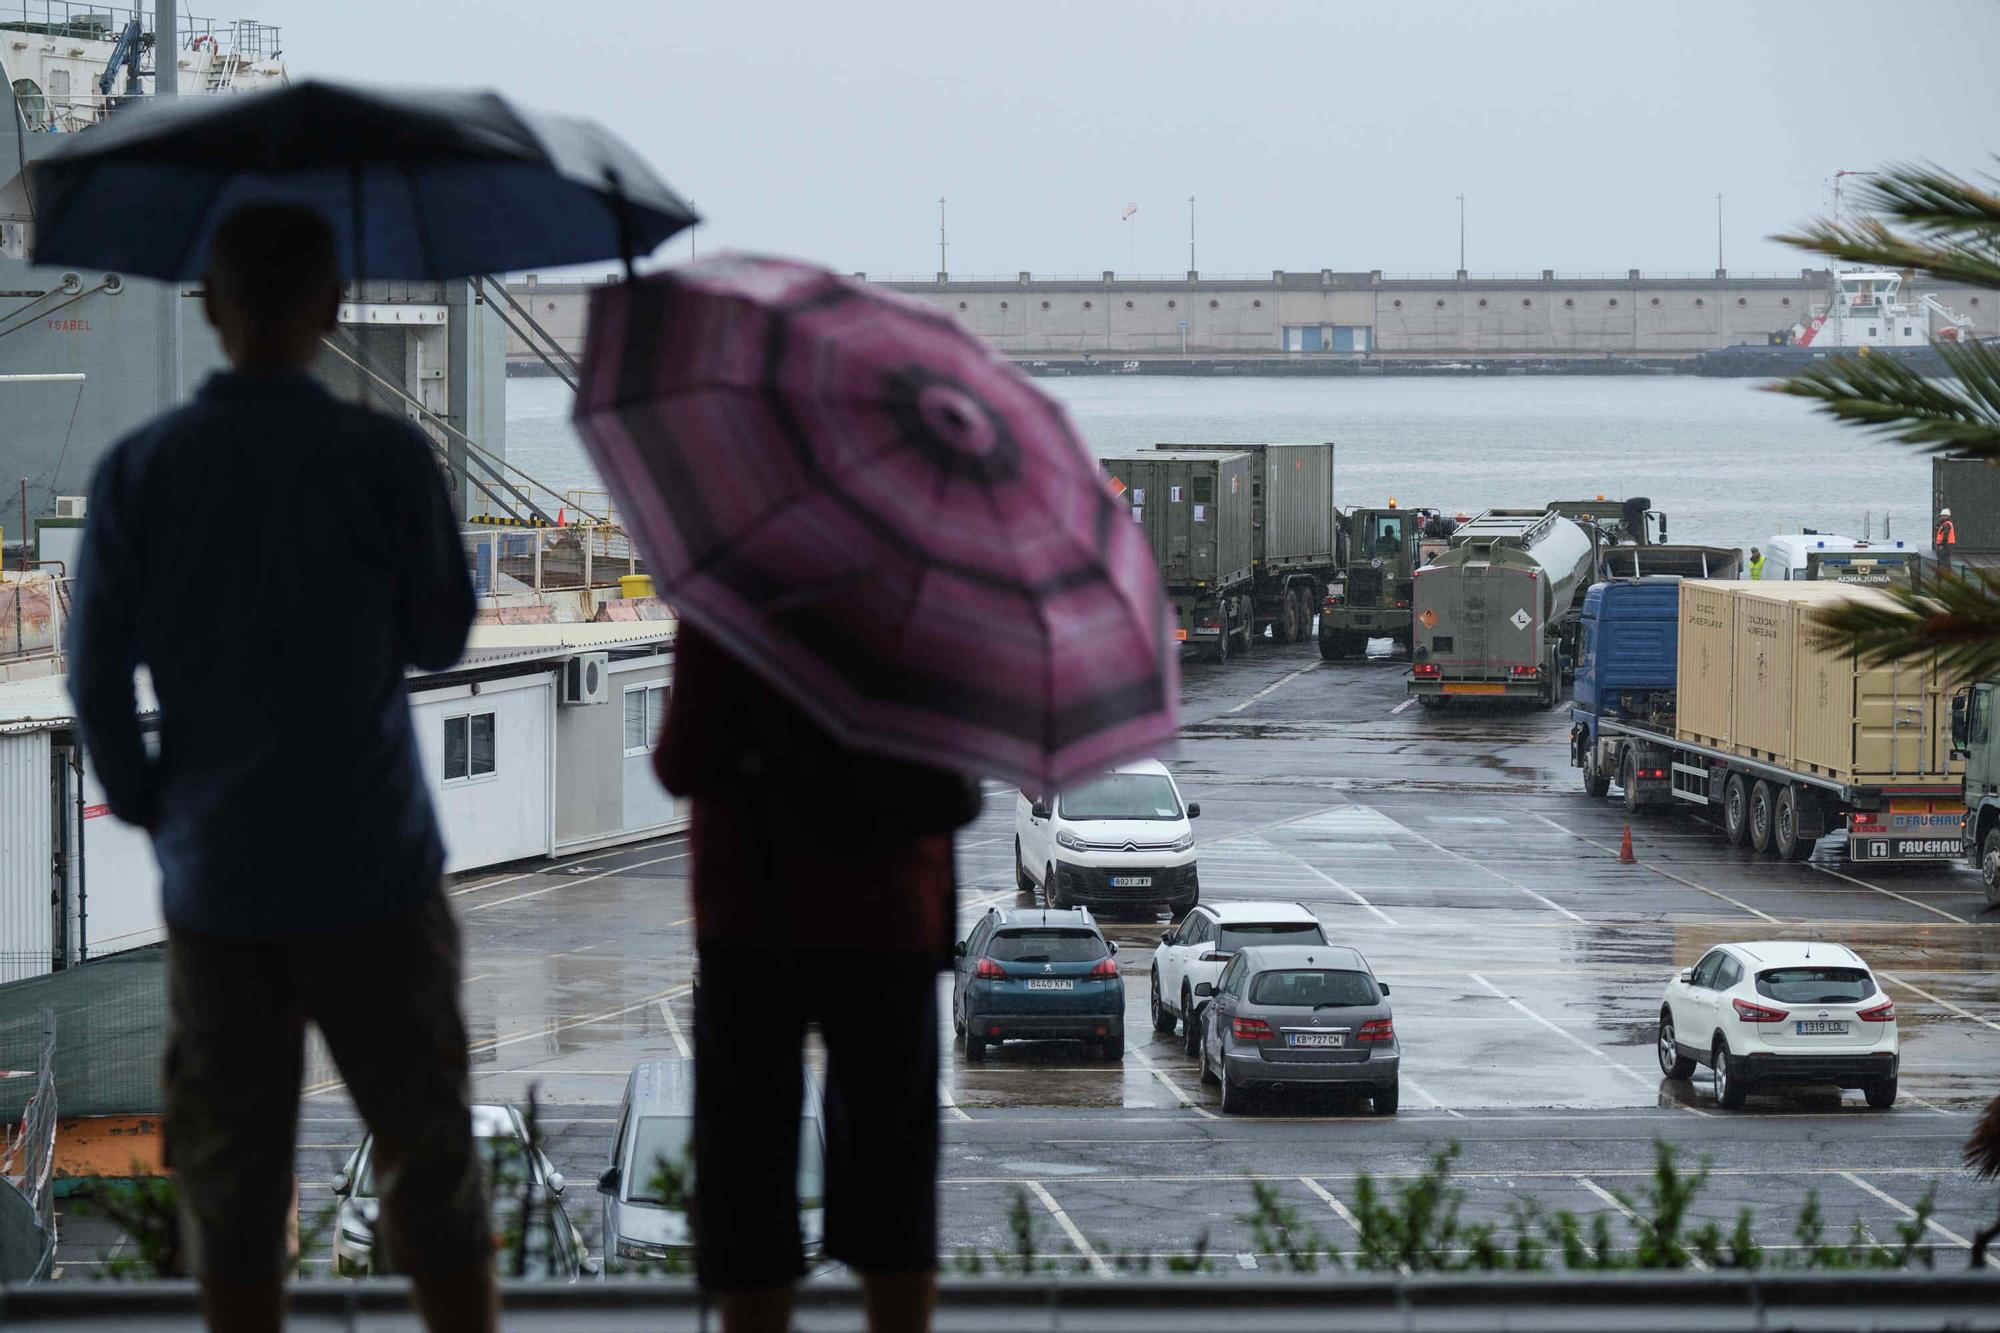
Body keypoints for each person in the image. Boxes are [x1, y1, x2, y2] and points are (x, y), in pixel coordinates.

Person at [68, 204, 495, 1333]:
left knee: (233, 1187)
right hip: (376, 864)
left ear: (208, 307)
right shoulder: (385, 457)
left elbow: (96, 674)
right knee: (427, 1162)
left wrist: (160, 805)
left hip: (222, 878)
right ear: (335, 307)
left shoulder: (140, 470)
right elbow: (444, 636)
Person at [655, 624, 980, 1333]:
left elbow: (680, 762)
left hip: (750, 911)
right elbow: (956, 791)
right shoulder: (919, 598)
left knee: (748, 1184)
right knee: (893, 1184)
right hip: (889, 916)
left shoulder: (735, 593)